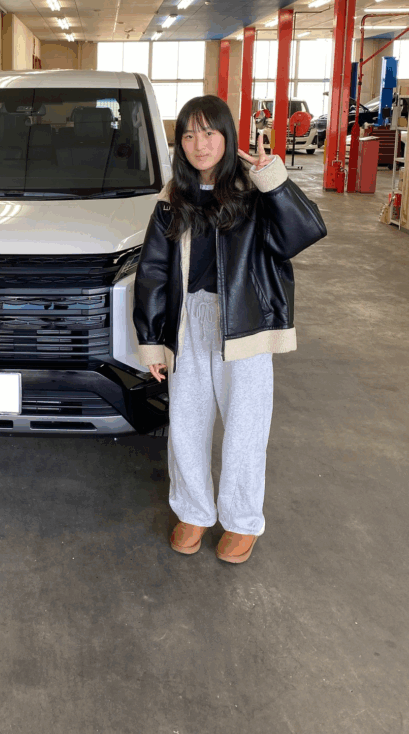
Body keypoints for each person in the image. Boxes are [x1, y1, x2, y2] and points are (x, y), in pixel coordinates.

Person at [133, 95, 326, 564]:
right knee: (186, 425)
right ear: (179, 143)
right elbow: (153, 271)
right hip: (188, 324)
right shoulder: (172, 197)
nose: (199, 144)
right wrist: (153, 341)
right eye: (189, 135)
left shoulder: (254, 190)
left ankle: (241, 520)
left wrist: (272, 178)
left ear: (227, 135)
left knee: (245, 428)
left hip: (245, 324)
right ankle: (193, 511)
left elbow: (305, 232)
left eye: (209, 133)